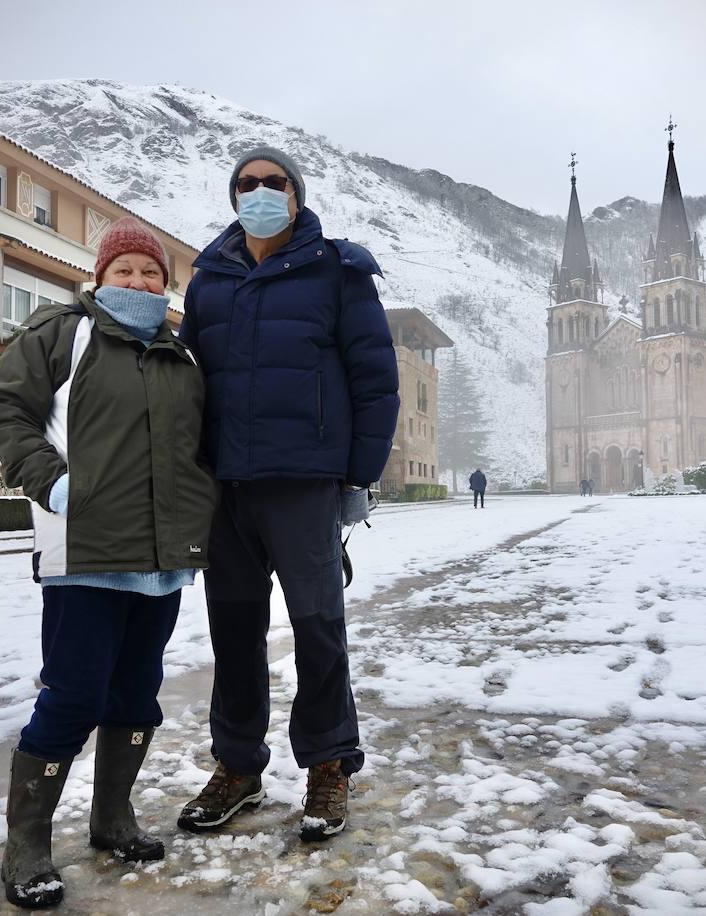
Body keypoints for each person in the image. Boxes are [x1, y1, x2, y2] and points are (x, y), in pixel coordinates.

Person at [0, 217, 216, 909]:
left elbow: (198, 447)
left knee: (137, 693)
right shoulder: (60, 333)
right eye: (126, 271)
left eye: (151, 273)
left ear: (165, 285)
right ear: (101, 274)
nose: (138, 282)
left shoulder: (183, 354)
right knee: (73, 696)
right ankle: (25, 846)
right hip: (83, 552)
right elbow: (3, 417)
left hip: (162, 559)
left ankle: (112, 820)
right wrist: (55, 485)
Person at [177, 146, 399, 843]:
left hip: (303, 485)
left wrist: (359, 476)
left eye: (275, 183)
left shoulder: (338, 269)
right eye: (248, 184)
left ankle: (328, 766)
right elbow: (186, 384)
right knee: (235, 636)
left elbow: (374, 379)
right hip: (226, 488)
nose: (261, 192)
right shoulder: (208, 279)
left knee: (317, 630)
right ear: (233, 196)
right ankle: (238, 768)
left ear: (296, 195)